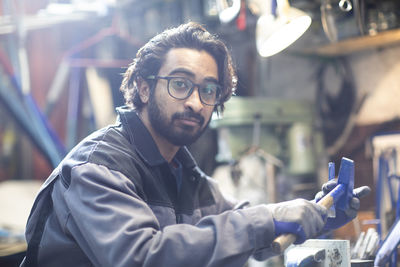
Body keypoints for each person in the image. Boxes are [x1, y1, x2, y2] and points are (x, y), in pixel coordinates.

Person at [21, 22, 370, 267]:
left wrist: (313, 214)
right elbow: (143, 258)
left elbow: (241, 229)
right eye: (180, 83)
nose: (195, 102)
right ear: (144, 88)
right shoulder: (98, 169)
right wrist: (266, 219)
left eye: (207, 90)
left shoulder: (187, 177)